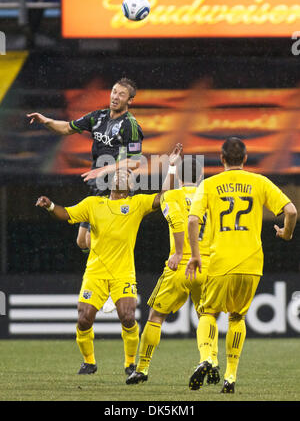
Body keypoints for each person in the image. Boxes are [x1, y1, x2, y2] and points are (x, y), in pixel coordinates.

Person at [35, 143, 182, 378]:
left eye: (127, 174)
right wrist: (51, 206)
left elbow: (165, 196)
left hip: (123, 273)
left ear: (132, 185)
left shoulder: (136, 205)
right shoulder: (93, 204)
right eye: (118, 173)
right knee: (84, 318)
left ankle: (130, 364)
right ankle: (89, 362)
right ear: (110, 182)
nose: (122, 176)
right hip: (95, 273)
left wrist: (172, 167)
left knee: (127, 315)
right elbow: (67, 214)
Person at [186, 137, 297, 393]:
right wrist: (287, 234)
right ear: (245, 159)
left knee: (208, 313)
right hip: (251, 262)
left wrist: (194, 254)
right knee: (237, 317)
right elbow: (290, 211)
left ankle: (207, 358)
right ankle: (230, 376)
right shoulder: (259, 182)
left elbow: (193, 221)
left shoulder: (209, 184)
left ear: (221, 158)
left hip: (220, 260)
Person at [126, 156, 220, 385]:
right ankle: (211, 361)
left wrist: (179, 253)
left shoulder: (173, 195)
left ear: (178, 177)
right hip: (207, 265)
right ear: (200, 177)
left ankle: (142, 368)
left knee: (156, 316)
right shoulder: (210, 197)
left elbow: (178, 222)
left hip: (181, 266)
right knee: (207, 317)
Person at [27, 78, 143, 254]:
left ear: (130, 100)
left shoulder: (130, 125)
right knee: (82, 242)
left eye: (121, 94)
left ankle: (113, 269)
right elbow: (66, 128)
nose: (115, 97)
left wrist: (105, 169)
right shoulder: (98, 117)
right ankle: (110, 256)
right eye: (114, 91)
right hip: (97, 183)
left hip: (116, 187)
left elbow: (135, 161)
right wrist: (45, 121)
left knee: (92, 239)